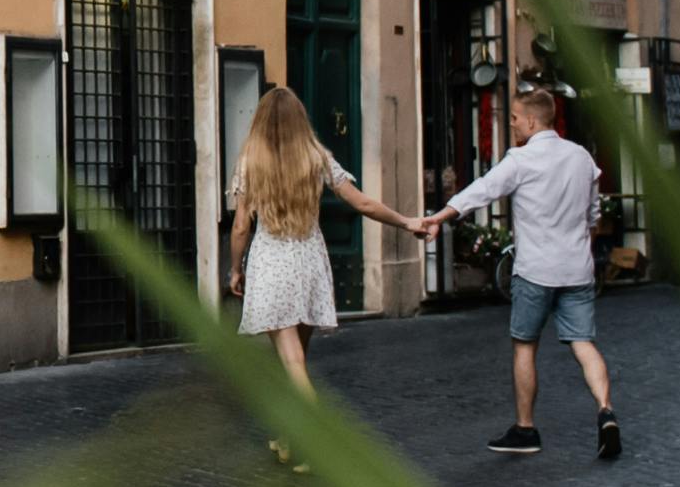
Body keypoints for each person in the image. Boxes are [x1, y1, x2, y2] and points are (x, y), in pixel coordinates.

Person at [422, 80, 616, 460]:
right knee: (583, 343)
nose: (510, 124)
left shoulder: (521, 160)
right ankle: (606, 411)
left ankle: (526, 429)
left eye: (513, 118)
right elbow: (593, 216)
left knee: (525, 346)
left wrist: (439, 217)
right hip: (577, 270)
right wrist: (581, 250)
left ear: (530, 121)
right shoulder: (581, 158)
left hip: (535, 271)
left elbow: (482, 190)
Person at [225, 83, 421, 406]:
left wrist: (235, 269)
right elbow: (362, 203)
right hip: (309, 263)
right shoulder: (316, 158)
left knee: (292, 362)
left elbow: (241, 226)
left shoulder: (250, 162)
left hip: (272, 265)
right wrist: (406, 222)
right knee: (296, 358)